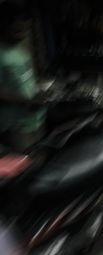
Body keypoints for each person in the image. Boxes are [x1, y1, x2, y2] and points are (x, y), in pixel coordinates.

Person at [0, 2, 45, 152]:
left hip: (34, 120)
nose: (23, 34)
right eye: (18, 30)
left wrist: (39, 93)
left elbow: (25, 81)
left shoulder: (20, 50)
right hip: (14, 126)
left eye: (26, 29)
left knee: (38, 165)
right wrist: (26, 101)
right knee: (24, 171)